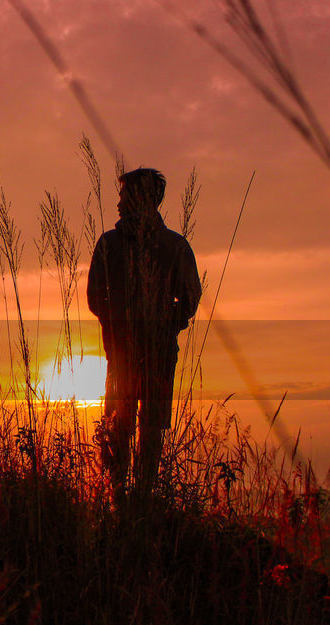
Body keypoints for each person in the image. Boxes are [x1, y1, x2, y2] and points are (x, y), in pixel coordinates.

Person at [87, 168, 201, 497]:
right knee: (120, 428)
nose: (119, 202)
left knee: (147, 430)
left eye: (124, 195)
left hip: (154, 354)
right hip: (123, 354)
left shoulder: (172, 246)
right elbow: (96, 297)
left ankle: (139, 501)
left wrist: (165, 323)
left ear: (141, 198)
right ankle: (121, 498)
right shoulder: (113, 244)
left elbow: (190, 297)